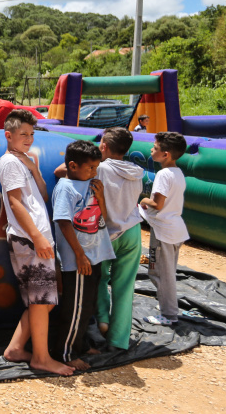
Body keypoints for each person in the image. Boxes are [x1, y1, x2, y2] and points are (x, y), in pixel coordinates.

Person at [0, 109, 75, 376]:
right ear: (8, 135)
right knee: (42, 301)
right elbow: (15, 202)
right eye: (23, 134)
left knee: (44, 301)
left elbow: (42, 195)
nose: (29, 139)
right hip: (30, 239)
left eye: (31, 134)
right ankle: (41, 358)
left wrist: (34, 168)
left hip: (36, 236)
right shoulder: (10, 162)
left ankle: (15, 348)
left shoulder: (24, 161)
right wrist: (38, 237)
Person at [49, 140, 113, 370]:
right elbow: (63, 222)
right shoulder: (66, 188)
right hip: (79, 260)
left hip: (94, 254)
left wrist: (101, 197)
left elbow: (104, 218)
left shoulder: (91, 183)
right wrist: (79, 255)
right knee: (75, 308)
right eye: (91, 167)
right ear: (73, 166)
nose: (94, 172)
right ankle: (65, 353)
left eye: (97, 167)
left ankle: (81, 345)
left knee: (87, 306)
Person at [93, 128, 144, 350]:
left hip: (105, 232)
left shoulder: (100, 168)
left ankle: (102, 319)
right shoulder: (137, 172)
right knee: (125, 285)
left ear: (104, 146)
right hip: (132, 231)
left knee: (99, 277)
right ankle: (119, 339)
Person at [139, 132, 188, 326]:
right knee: (167, 272)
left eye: (155, 147)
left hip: (164, 231)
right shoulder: (178, 172)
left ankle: (169, 315)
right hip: (175, 229)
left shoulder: (163, 174)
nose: (152, 150)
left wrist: (144, 200)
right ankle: (168, 307)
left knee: (159, 273)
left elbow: (158, 204)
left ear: (165, 154)